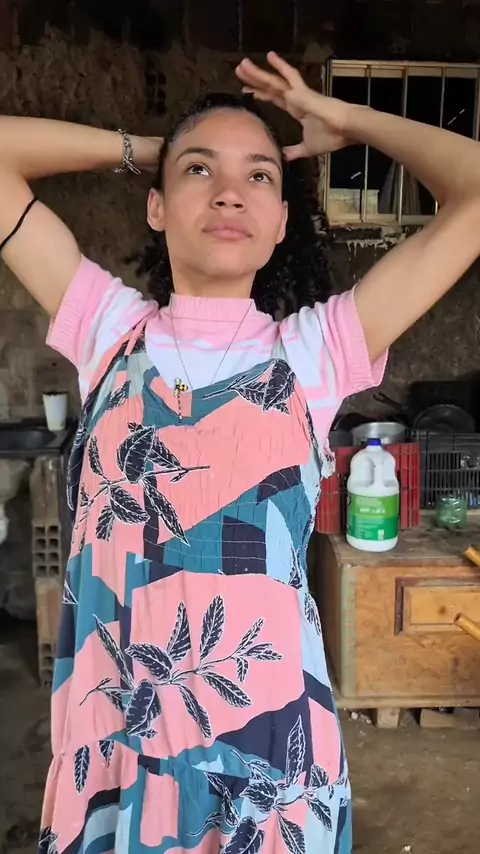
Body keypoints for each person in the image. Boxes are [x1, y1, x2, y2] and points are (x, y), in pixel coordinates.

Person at [1, 52, 480, 854]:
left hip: (269, 769)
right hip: (118, 754)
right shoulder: (107, 331)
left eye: (259, 175)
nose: (229, 192)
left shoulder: (318, 352)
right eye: (200, 171)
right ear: (156, 207)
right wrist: (144, 147)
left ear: (283, 220)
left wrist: (349, 120)